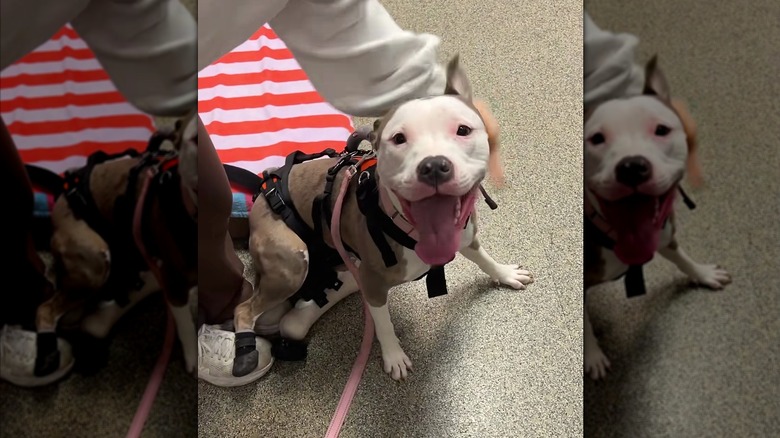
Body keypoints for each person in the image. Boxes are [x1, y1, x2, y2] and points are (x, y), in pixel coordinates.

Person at [196, 0, 504, 387]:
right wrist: (389, 345)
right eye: (399, 140)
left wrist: (496, 270)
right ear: (373, 146)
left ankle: (316, 280)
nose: (435, 161)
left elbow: (347, 23)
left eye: (463, 132)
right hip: (283, 215)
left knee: (211, 197)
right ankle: (243, 314)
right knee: (268, 255)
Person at [0, 0, 196, 386]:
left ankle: (33, 287)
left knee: (13, 197)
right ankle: (38, 311)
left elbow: (149, 27)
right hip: (83, 216)